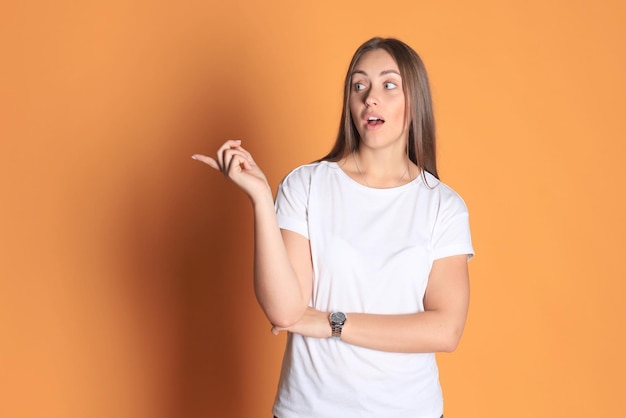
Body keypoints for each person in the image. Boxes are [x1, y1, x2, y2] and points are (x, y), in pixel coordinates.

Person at [193, 37, 474, 418]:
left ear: (415, 101)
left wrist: (331, 323)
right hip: (309, 409)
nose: (370, 97)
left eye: (388, 85)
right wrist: (260, 199)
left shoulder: (443, 205)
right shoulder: (305, 185)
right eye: (360, 86)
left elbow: (444, 330)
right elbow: (286, 310)